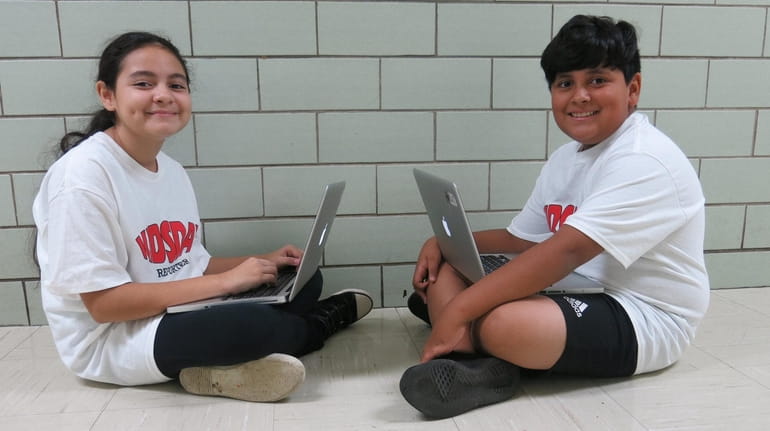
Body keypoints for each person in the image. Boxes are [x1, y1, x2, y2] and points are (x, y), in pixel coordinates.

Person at [32, 31, 373, 403]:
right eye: (144, 83)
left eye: (176, 85)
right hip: (115, 339)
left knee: (301, 278)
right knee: (257, 325)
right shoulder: (81, 178)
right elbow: (105, 306)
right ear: (108, 94)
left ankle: (220, 366)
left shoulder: (171, 170)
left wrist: (257, 263)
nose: (163, 95)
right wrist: (229, 282)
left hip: (177, 309)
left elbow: (189, 263)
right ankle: (317, 325)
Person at [399, 15, 710, 419]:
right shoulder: (566, 158)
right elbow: (523, 242)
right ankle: (489, 359)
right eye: (565, 84)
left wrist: (459, 309)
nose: (579, 96)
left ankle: (477, 347)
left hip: (644, 314)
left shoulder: (644, 159)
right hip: (579, 288)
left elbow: (565, 251)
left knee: (499, 321)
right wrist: (441, 244)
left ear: (632, 89)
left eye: (597, 80)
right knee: (446, 273)